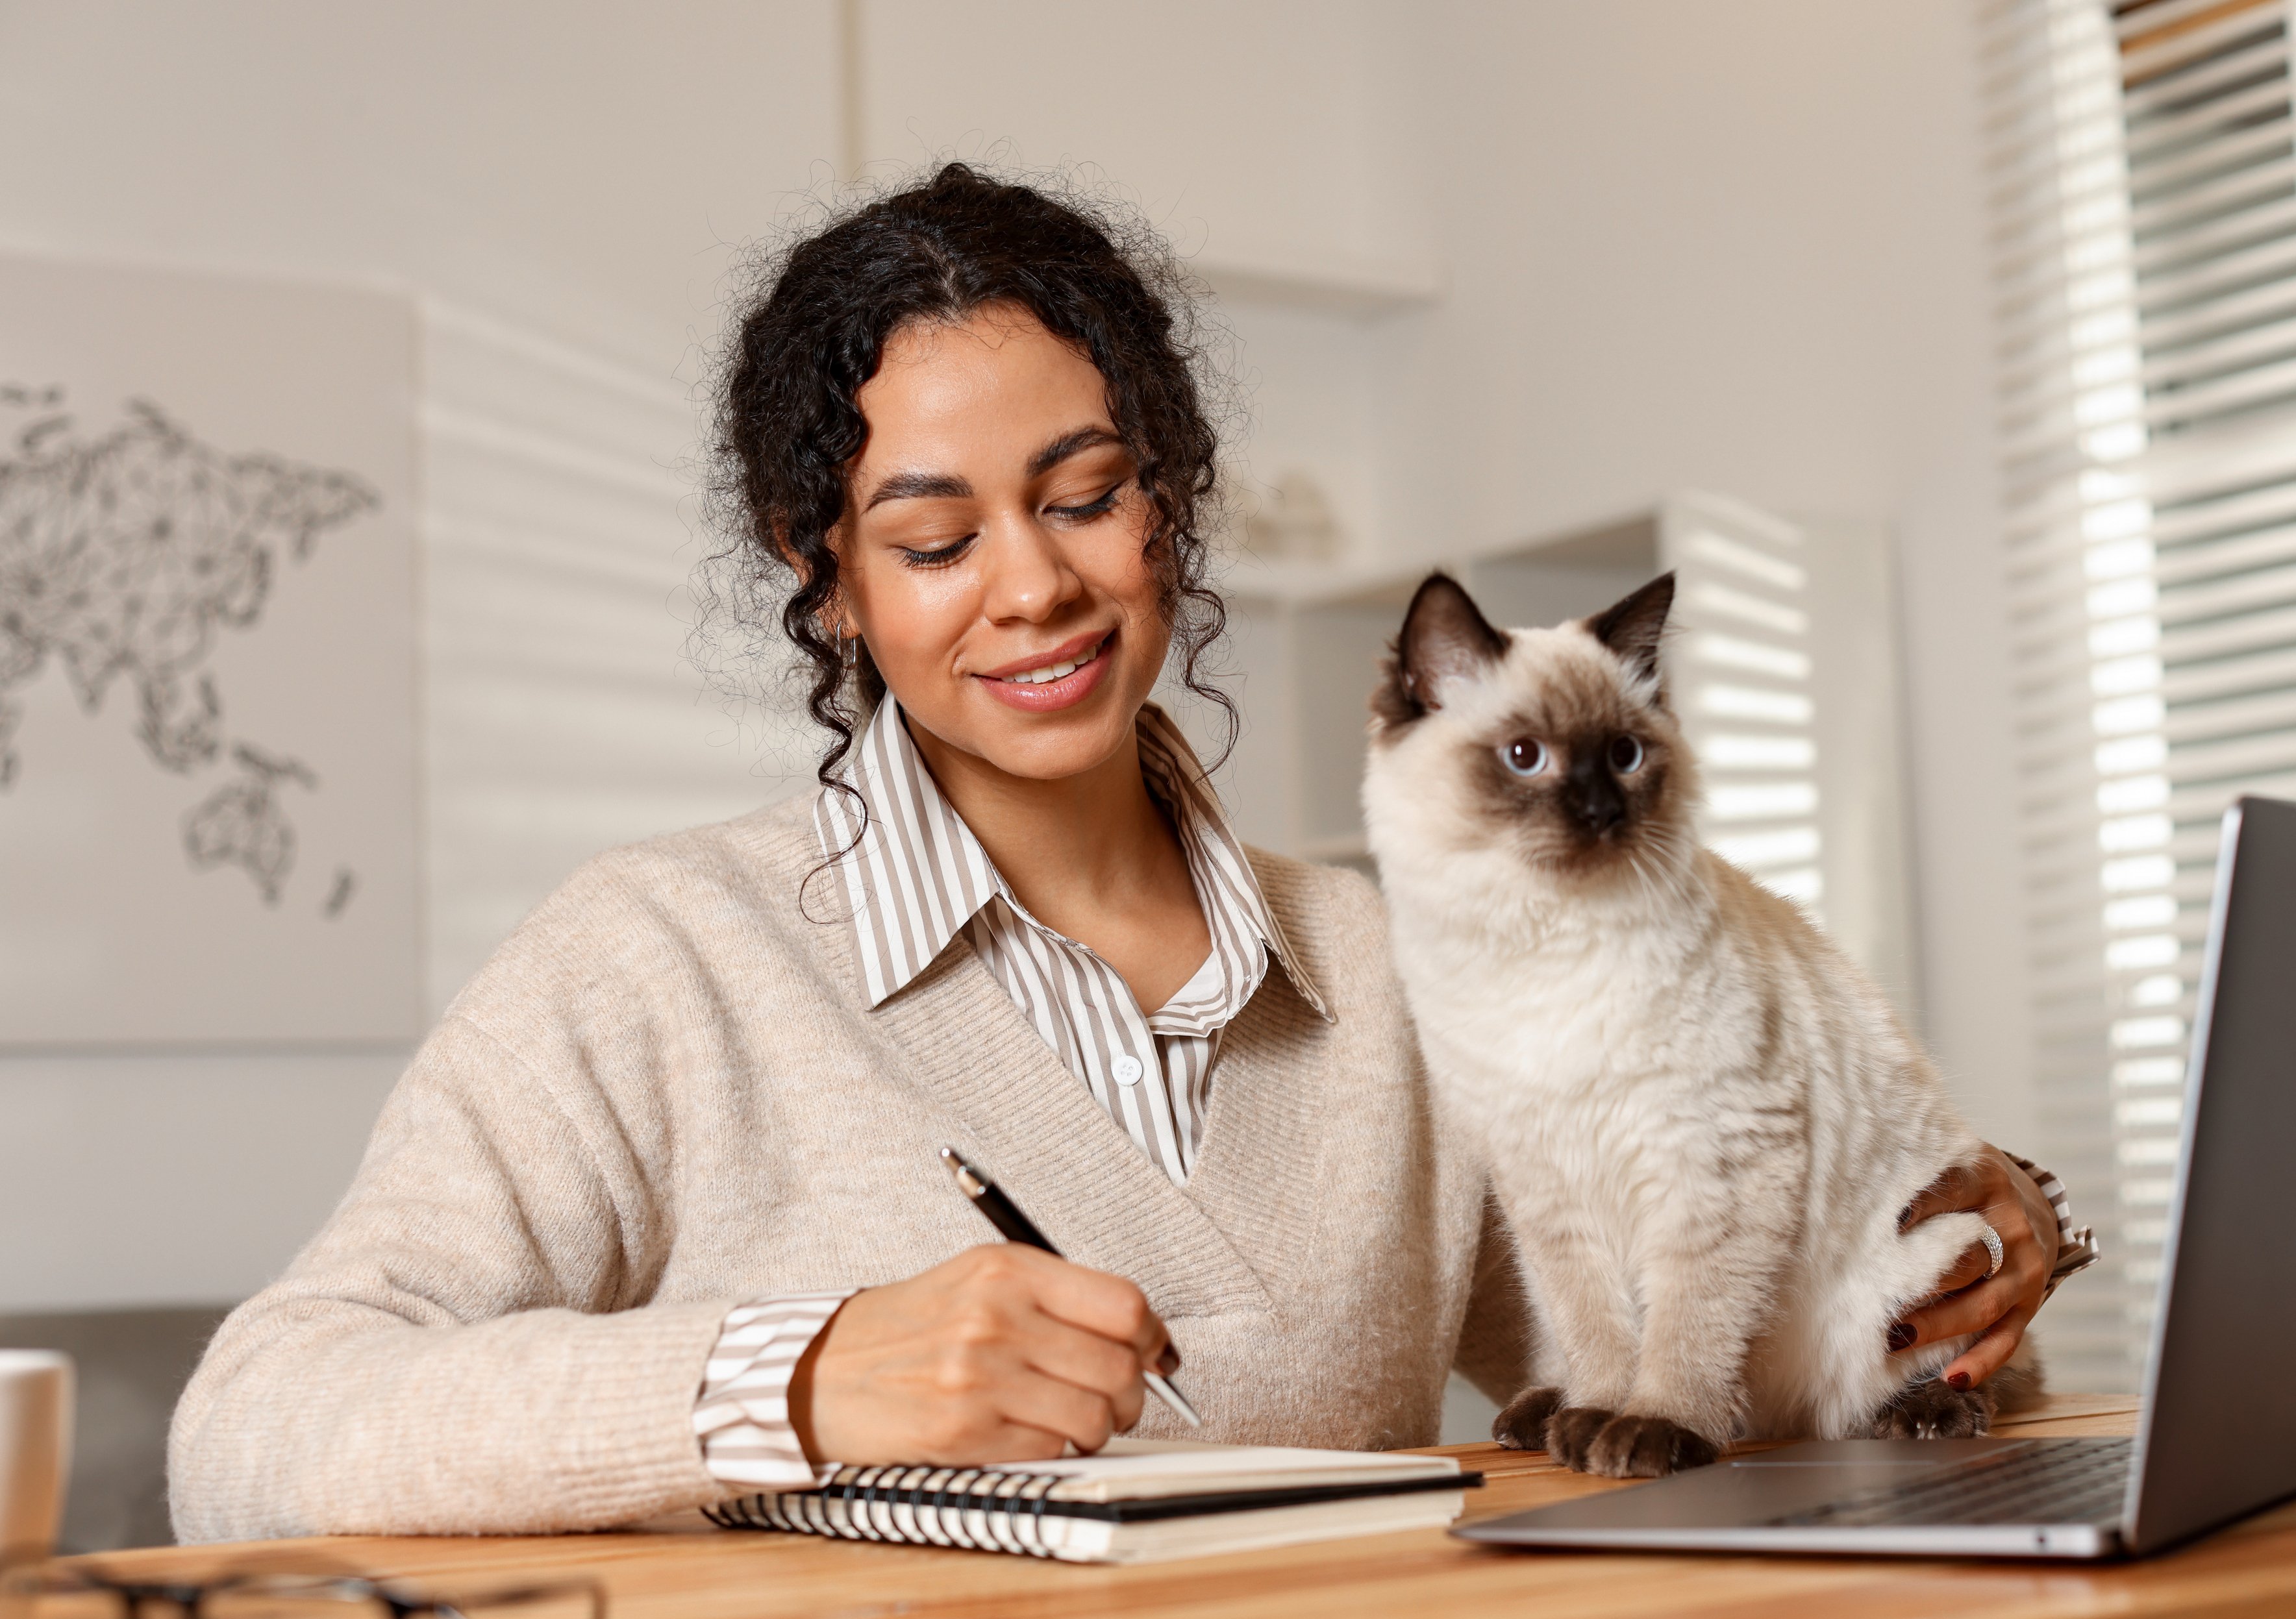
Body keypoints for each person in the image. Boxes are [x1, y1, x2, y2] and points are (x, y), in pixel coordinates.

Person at [169, 164, 2091, 1540]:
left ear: (1167, 505)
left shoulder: (1403, 963)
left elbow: (1692, 1375)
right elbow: (256, 1424)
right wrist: (800, 1382)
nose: (1036, 588)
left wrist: (1940, 1278)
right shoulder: (658, 956)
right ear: (817, 574)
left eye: (1090, 498)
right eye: (933, 541)